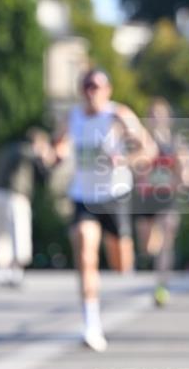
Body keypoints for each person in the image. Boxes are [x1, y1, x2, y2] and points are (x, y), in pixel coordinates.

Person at [54, 69, 156, 351]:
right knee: (86, 251)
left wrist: (124, 159)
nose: (92, 91)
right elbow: (58, 144)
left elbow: (148, 152)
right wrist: (57, 153)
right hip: (83, 196)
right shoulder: (72, 117)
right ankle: (91, 324)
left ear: (108, 90)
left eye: (97, 86)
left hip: (114, 195)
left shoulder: (119, 115)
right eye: (86, 86)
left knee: (120, 264)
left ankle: (132, 277)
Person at [133, 98, 188, 307]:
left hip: (167, 197)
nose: (157, 119)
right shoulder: (142, 141)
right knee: (148, 246)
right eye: (153, 115)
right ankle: (155, 266)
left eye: (160, 115)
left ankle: (161, 285)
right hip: (146, 197)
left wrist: (180, 178)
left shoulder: (175, 142)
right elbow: (134, 165)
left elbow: (184, 168)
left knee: (167, 241)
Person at [0, 127, 51, 287]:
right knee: (18, 234)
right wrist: (45, 155)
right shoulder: (26, 150)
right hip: (14, 196)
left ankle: (1, 272)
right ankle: (16, 272)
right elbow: (44, 173)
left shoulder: (8, 148)